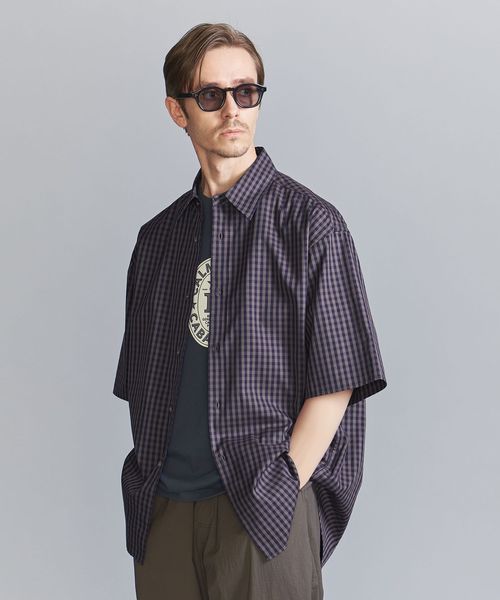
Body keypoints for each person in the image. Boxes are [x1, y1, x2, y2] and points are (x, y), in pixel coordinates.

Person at [112, 22, 388, 600]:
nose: (233, 109)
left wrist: (282, 485)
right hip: (163, 513)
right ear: (178, 110)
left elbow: (338, 380)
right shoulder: (157, 239)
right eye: (212, 95)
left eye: (247, 92)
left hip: (260, 511)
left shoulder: (311, 226)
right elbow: (140, 381)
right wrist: (149, 484)